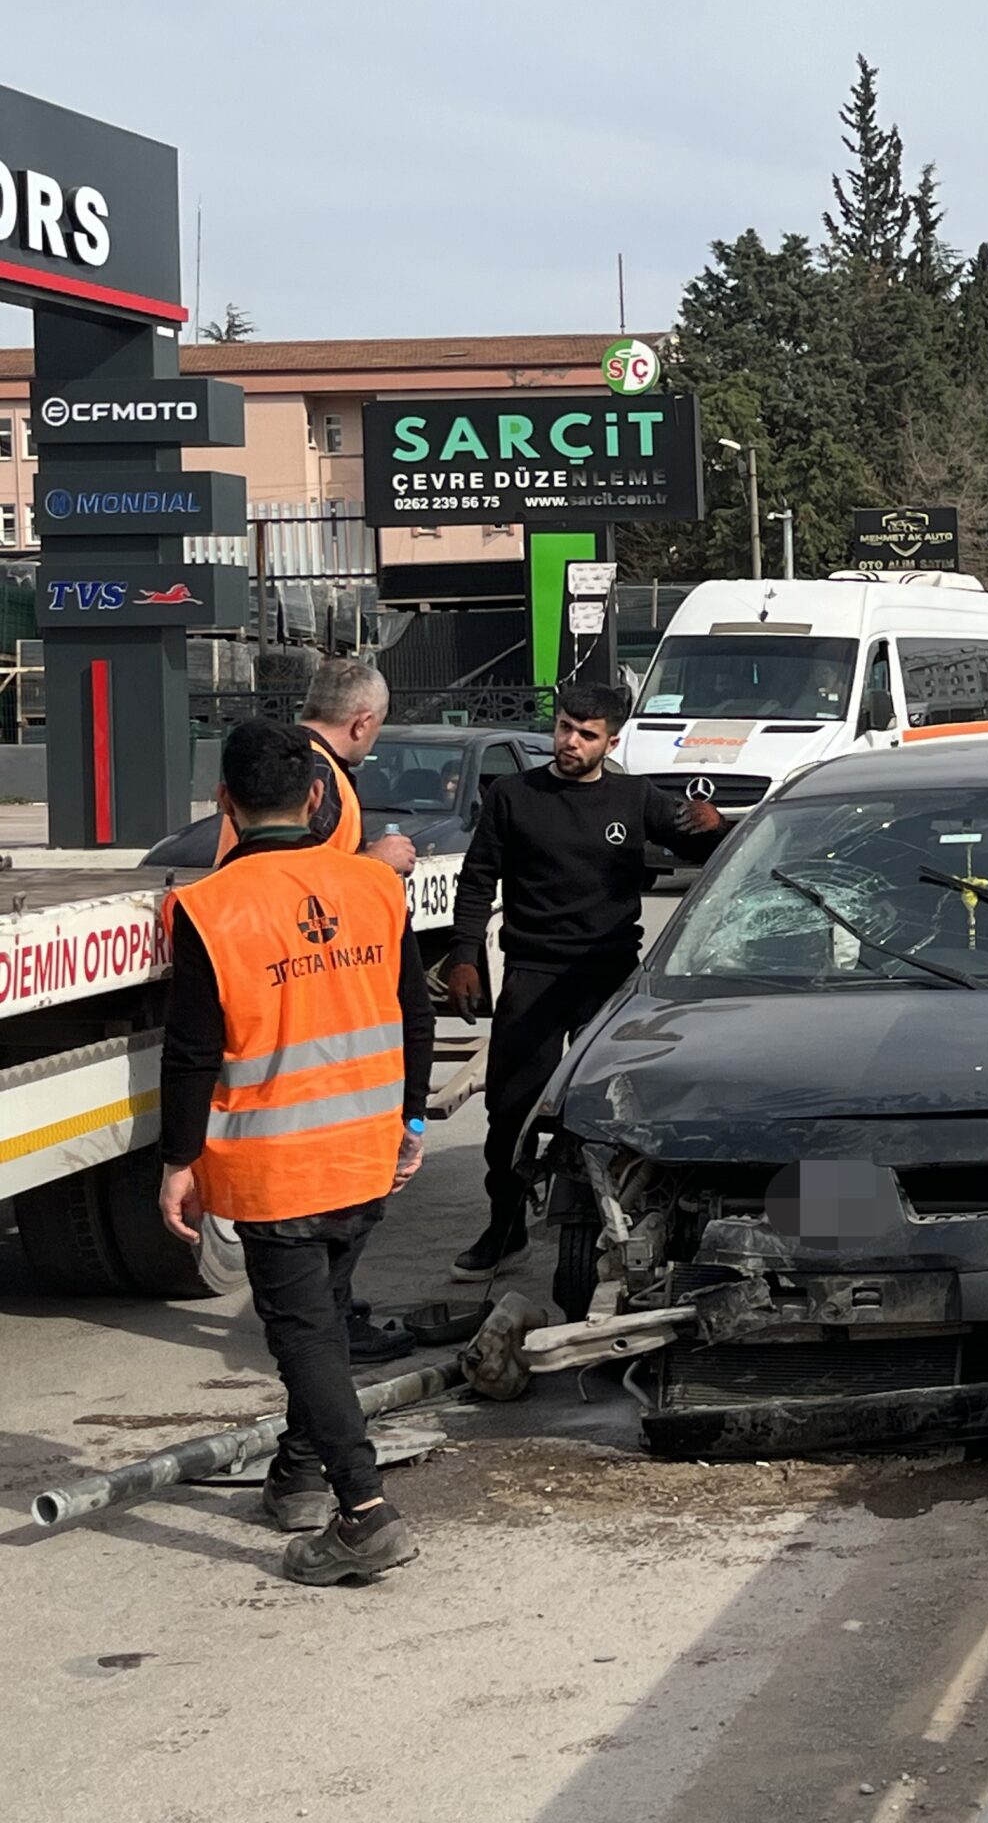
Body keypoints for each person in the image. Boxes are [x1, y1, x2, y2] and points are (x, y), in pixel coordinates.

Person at [158, 720, 435, 1584]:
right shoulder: (376, 887)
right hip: (364, 1150)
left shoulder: (206, 909)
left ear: (224, 806)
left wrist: (178, 1160)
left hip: (277, 1165)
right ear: (319, 796)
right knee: (325, 1319)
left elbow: (193, 1051)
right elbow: (415, 1015)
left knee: (305, 1337)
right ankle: (301, 1475)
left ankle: (365, 1511)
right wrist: (411, 1123)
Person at [445, 684, 731, 1286]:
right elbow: (477, 881)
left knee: (618, 1109)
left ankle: (619, 1226)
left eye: (587, 733)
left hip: (609, 978)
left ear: (612, 740)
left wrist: (715, 826)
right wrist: (464, 955)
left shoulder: (635, 797)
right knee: (511, 1111)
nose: (571, 742)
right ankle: (505, 1227)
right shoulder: (513, 797)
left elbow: (712, 852)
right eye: (565, 728)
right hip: (533, 973)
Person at [217, 659, 417, 882]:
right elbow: (292, 877)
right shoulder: (311, 769)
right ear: (362, 724)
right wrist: (377, 861)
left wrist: (358, 853)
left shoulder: (277, 757)